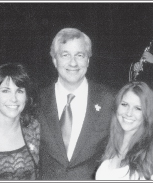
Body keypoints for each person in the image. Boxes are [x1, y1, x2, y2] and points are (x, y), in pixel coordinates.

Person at [38, 28, 115, 180]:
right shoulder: (37, 101)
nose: (73, 63)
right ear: (55, 60)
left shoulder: (110, 100)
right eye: (65, 55)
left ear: (88, 60)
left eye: (80, 55)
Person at [95, 81, 153, 180]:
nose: (129, 113)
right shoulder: (109, 144)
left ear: (147, 114)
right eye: (124, 104)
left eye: (138, 108)